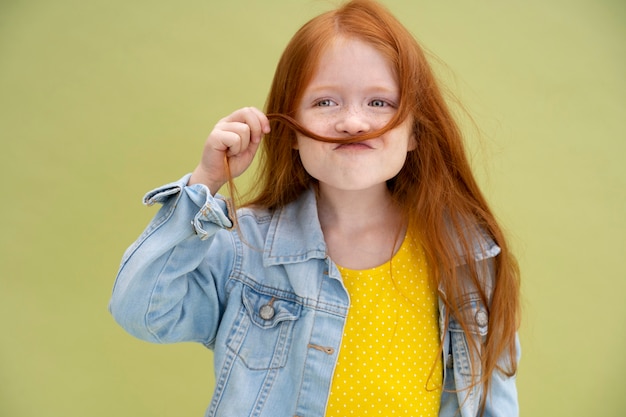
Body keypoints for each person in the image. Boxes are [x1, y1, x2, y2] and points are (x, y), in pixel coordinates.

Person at [109, 0, 521, 416]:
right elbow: (140, 312)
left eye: (379, 102)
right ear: (289, 131)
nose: (353, 122)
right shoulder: (245, 250)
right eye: (326, 102)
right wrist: (205, 182)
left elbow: (495, 400)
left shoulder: (466, 254)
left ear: (414, 131)